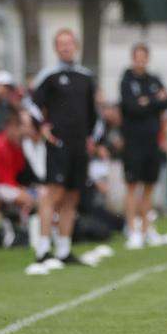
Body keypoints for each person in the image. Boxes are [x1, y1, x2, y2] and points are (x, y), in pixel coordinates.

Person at [26, 29, 99, 270]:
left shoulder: (85, 76)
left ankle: (64, 250)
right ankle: (43, 248)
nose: (66, 47)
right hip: (58, 145)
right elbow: (32, 105)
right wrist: (43, 128)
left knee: (72, 196)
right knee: (53, 193)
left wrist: (92, 138)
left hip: (80, 146)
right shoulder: (49, 75)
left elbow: (93, 113)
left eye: (69, 43)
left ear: (75, 46)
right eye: (61, 44)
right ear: (56, 48)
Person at [119, 43, 167, 249]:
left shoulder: (154, 80)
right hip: (133, 142)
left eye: (144, 57)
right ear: (133, 58)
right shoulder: (126, 80)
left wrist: (146, 102)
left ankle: (146, 228)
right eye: (137, 57)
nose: (140, 60)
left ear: (147, 58)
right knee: (132, 185)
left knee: (149, 185)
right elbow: (131, 107)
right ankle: (132, 230)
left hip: (152, 142)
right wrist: (153, 101)